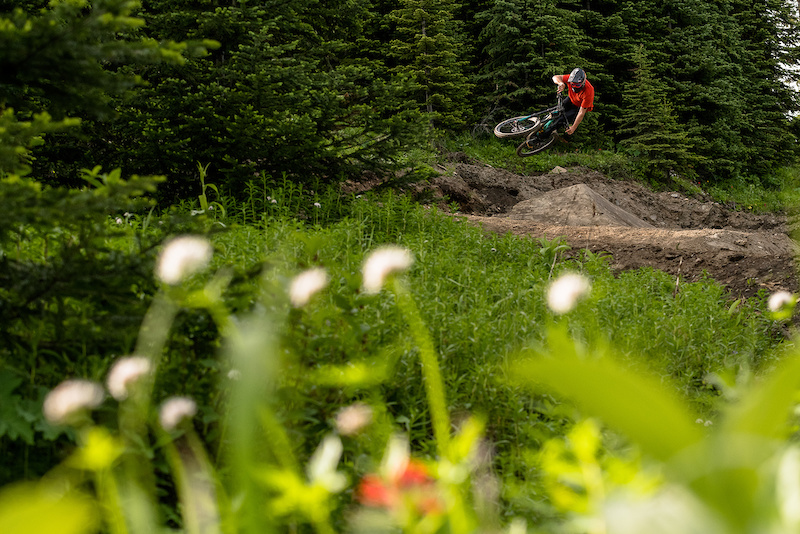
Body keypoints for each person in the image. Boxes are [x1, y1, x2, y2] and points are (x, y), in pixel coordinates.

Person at [551, 68, 594, 135]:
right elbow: (555, 77)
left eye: (577, 85)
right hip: (571, 99)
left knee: (561, 120)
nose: (575, 87)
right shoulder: (571, 79)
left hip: (578, 107)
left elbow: (581, 112)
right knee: (556, 110)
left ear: (583, 82)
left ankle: (541, 136)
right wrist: (561, 83)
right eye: (572, 84)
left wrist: (573, 127)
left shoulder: (589, 91)